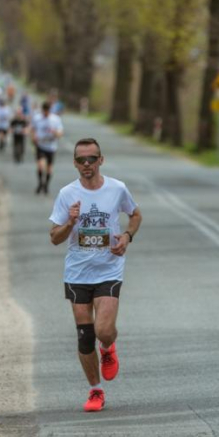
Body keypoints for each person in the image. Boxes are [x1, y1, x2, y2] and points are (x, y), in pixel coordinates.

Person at [49, 138, 143, 412]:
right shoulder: (67, 194)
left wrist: (126, 236)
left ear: (101, 160)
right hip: (77, 272)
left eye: (92, 159)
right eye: (81, 160)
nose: (87, 164)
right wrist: (70, 222)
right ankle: (95, 390)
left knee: (103, 330)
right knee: (84, 335)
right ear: (75, 163)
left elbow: (135, 215)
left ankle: (108, 347)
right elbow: (54, 238)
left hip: (108, 268)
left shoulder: (117, 189)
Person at [31, 101, 63, 195]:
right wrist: (33, 137)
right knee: (40, 166)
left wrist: (55, 133)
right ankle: (40, 183)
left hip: (51, 146)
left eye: (47, 111)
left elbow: (60, 133)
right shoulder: (37, 118)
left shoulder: (56, 119)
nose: (46, 113)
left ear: (50, 110)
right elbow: (33, 129)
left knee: (49, 168)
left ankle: (46, 185)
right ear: (42, 110)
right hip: (40, 145)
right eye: (44, 111)